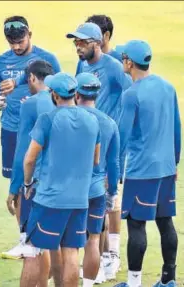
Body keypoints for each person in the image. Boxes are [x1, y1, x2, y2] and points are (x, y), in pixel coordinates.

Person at [0, 15, 61, 260]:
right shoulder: (0, 61)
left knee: (39, 180)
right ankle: (24, 237)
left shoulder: (47, 59)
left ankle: (39, 234)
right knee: (20, 184)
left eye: (20, 41)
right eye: (12, 42)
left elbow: (61, 91)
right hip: (11, 128)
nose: (16, 46)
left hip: (41, 131)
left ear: (30, 33)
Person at [20, 72, 100, 287]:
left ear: (54, 95)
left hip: (49, 199)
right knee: (71, 252)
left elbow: (29, 159)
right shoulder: (92, 121)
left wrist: (27, 184)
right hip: (79, 200)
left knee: (33, 251)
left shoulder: (47, 119)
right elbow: (95, 159)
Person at [113, 40, 180, 287]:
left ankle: (133, 283)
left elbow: (122, 135)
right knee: (165, 221)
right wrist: (175, 163)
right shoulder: (167, 87)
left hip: (141, 172)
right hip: (166, 169)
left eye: (123, 57)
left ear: (130, 62)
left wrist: (115, 169)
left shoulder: (131, 94)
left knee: (136, 225)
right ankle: (169, 279)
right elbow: (177, 129)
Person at [79, 14, 124, 280]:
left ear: (98, 42)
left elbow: (128, 97)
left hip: (109, 138)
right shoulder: (82, 65)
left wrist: (117, 130)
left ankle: (112, 255)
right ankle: (100, 258)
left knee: (109, 196)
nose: (78, 48)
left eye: (82, 43)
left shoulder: (114, 67)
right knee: (96, 200)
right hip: (86, 138)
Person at [6, 60, 55, 287]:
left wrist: (15, 188)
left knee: (30, 247)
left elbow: (23, 151)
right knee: (48, 243)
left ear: (33, 78)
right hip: (57, 183)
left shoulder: (30, 104)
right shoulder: (64, 102)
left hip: (34, 184)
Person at [75, 73, 120, 286]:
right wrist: (112, 192)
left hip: (69, 191)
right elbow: (113, 164)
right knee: (94, 240)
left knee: (69, 245)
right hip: (96, 192)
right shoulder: (110, 123)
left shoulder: (66, 117)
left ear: (76, 93)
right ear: (97, 93)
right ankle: (88, 284)